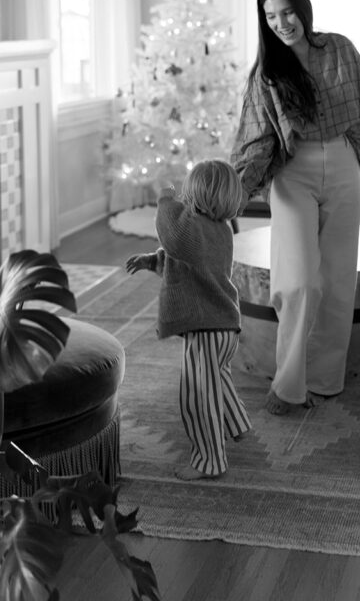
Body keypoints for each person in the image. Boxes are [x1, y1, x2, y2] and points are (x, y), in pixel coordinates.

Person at [231, 0, 360, 416]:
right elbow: (256, 141)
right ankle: (289, 385)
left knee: (336, 280)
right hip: (293, 173)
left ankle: (326, 381)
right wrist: (230, 191)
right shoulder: (267, 73)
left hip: (345, 165)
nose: (281, 23)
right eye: (270, 16)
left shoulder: (340, 49)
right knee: (297, 283)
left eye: (287, 12)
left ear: (304, 8)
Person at [125, 159, 251, 480]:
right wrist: (153, 260)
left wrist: (166, 200)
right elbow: (184, 259)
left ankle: (208, 460)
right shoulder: (219, 230)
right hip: (224, 326)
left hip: (206, 329)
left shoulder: (193, 231)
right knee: (216, 381)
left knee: (197, 395)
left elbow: (175, 236)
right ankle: (237, 423)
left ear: (196, 194)